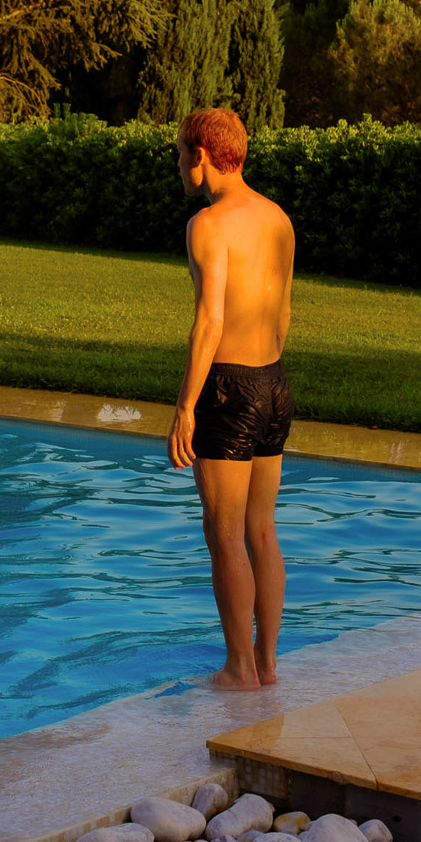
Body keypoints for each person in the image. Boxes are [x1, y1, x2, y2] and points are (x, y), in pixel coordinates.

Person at [167, 107, 296, 691]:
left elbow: (210, 323)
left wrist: (186, 406)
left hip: (228, 386)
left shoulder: (207, 225)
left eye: (178, 154)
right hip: (274, 383)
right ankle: (267, 665)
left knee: (224, 535)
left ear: (200, 155)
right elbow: (285, 313)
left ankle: (237, 669)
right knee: (261, 530)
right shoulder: (278, 219)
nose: (177, 165)